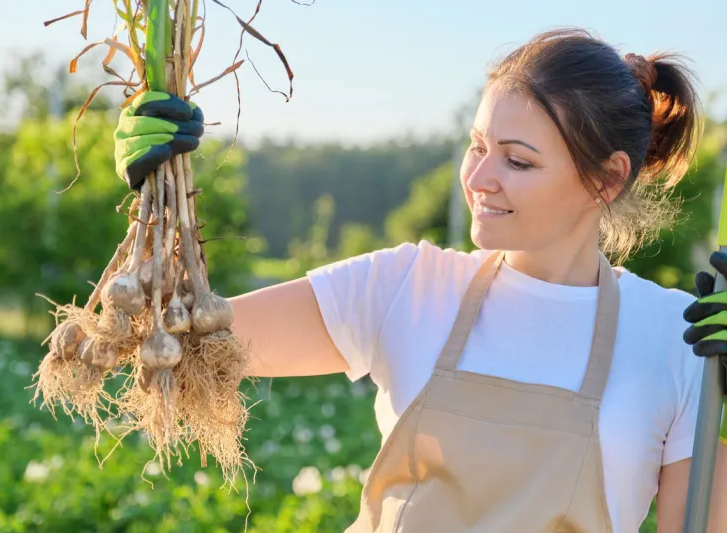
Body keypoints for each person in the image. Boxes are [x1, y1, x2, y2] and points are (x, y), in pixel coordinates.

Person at [114, 28, 727, 533]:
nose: (480, 178)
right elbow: (179, 339)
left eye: (518, 160)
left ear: (607, 180)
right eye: (477, 146)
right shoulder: (407, 285)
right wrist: (154, 205)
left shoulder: (680, 337)